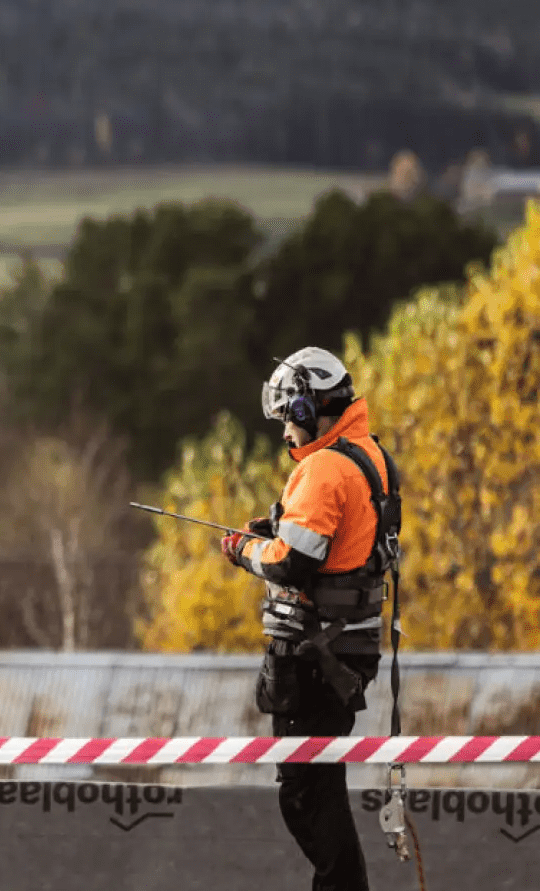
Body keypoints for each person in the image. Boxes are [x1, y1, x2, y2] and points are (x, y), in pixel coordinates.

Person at [220, 346, 400, 891]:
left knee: (306, 792)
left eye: (285, 422)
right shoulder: (371, 454)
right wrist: (279, 525)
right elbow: (346, 542)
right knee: (317, 786)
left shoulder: (322, 469)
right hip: (350, 648)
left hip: (315, 654)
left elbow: (294, 563)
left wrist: (243, 550)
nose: (284, 436)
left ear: (305, 408)